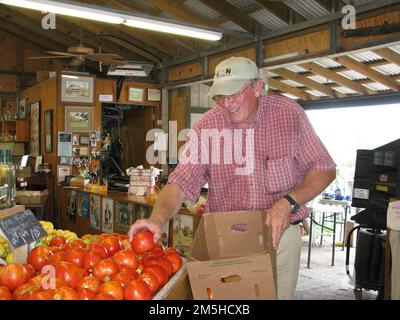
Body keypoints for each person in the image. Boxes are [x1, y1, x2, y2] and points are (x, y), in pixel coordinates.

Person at [128, 56, 336, 299]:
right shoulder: (206, 126)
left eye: (234, 94)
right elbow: (181, 181)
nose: (227, 103)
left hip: (280, 237)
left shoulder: (289, 115)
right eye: (219, 96)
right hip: (225, 238)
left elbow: (324, 168)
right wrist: (157, 220)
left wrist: (288, 202)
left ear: (257, 87)